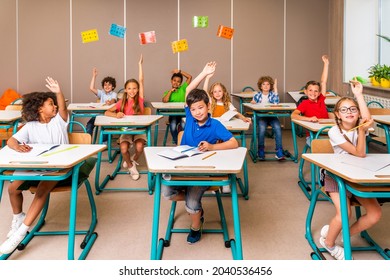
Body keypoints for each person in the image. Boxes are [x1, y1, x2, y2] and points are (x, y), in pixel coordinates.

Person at [161, 61, 238, 244]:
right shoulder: (190, 117)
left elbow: (234, 142)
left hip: (202, 169)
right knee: (166, 193)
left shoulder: (215, 125)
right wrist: (203, 73)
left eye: (201, 108)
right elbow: (189, 92)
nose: (197, 112)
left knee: (192, 205)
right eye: (193, 109)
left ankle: (196, 225)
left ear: (208, 106)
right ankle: (191, 197)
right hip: (182, 165)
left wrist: (212, 147)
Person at [0, 77, 69, 254]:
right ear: (40, 109)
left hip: (59, 167)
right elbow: (12, 141)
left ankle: (21, 232)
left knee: (41, 190)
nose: (54, 106)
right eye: (50, 104)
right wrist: (18, 146)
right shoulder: (30, 126)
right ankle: (18, 217)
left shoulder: (58, 121)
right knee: (13, 188)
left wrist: (58, 92)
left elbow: (62, 107)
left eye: (54, 103)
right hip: (38, 166)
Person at [319, 80, 381, 260]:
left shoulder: (360, 126)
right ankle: (328, 244)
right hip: (335, 176)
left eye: (353, 109)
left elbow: (368, 120)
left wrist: (359, 95)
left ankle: (336, 235)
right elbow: (359, 153)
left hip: (357, 175)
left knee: (375, 213)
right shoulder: (334, 131)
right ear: (337, 115)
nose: (349, 112)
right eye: (344, 110)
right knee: (345, 214)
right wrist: (362, 131)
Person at [203, 72, 251, 193]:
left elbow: (236, 113)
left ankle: (225, 181)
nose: (217, 93)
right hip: (213, 135)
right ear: (211, 94)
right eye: (215, 91)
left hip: (225, 134)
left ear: (224, 92)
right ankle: (215, 182)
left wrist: (243, 118)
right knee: (214, 157)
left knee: (226, 156)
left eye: (220, 91)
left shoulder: (227, 104)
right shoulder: (210, 104)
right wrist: (207, 78)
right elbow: (204, 91)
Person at [104, 54, 145, 181]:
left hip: (139, 129)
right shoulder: (121, 102)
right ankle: (132, 167)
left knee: (139, 147)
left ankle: (133, 159)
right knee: (123, 149)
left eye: (134, 88)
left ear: (138, 90)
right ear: (125, 90)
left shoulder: (140, 99)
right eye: (129, 89)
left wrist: (139, 65)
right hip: (126, 130)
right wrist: (116, 114)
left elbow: (141, 80)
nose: (132, 91)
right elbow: (106, 113)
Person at [291, 55, 332, 146]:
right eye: (310, 90)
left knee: (339, 147)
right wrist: (309, 119)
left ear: (319, 92)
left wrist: (326, 64)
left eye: (316, 91)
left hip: (328, 133)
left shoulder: (321, 99)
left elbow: (323, 82)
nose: (313, 93)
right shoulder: (305, 103)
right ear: (305, 92)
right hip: (313, 136)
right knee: (323, 148)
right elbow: (293, 115)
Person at [250, 76, 285, 160]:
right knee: (262, 128)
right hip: (261, 117)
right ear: (260, 86)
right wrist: (253, 102)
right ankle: (261, 148)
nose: (266, 86)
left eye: (268, 84)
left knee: (277, 127)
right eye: (263, 84)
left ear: (271, 86)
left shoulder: (273, 94)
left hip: (272, 116)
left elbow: (276, 102)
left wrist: (276, 89)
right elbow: (253, 103)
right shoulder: (257, 95)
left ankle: (279, 150)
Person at [162, 69, 192, 144]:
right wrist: (170, 91)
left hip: (183, 114)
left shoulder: (183, 89)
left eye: (178, 81)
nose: (176, 82)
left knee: (183, 126)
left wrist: (179, 71)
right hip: (173, 115)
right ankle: (177, 142)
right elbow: (165, 100)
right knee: (172, 126)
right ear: (171, 81)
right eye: (174, 80)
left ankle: (182, 140)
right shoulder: (167, 92)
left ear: (180, 83)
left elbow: (189, 77)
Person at [86, 68, 117, 140]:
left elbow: (113, 100)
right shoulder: (101, 93)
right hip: (98, 114)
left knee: (105, 126)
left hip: (108, 115)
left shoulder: (114, 94)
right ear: (103, 87)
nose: (107, 86)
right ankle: (87, 139)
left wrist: (110, 102)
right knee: (89, 124)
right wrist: (94, 76)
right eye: (105, 85)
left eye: (109, 85)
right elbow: (91, 88)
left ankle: (104, 142)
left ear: (113, 87)